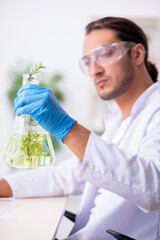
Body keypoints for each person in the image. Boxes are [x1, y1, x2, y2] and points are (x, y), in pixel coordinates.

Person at [0, 16, 160, 239]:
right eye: (87, 62)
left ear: (137, 54)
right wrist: (3, 184)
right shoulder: (119, 121)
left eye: (105, 54)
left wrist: (67, 128)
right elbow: (67, 175)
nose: (94, 70)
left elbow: (155, 186)